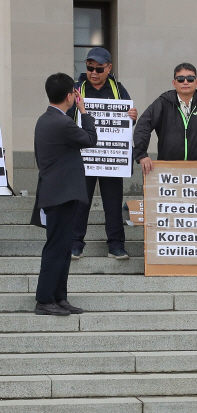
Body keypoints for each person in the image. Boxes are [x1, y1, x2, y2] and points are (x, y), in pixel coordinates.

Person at [31, 73, 97, 316]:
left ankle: (59, 297)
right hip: (60, 194)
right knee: (56, 248)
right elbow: (91, 138)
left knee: (61, 247)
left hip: (57, 192)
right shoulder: (62, 123)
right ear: (70, 95)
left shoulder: (46, 119)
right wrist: (84, 111)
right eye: (74, 93)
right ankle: (44, 299)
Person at [68, 47, 138, 260]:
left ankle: (116, 246)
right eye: (90, 68)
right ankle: (75, 244)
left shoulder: (118, 89)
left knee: (113, 202)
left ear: (109, 68)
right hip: (84, 157)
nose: (94, 73)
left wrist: (132, 117)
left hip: (111, 158)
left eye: (99, 68)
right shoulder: (76, 89)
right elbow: (65, 117)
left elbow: (126, 121)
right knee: (80, 202)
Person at [132, 63, 197, 174]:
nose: (185, 82)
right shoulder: (163, 102)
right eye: (180, 79)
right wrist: (142, 155)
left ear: (196, 82)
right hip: (168, 170)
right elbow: (143, 125)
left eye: (190, 79)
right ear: (174, 83)